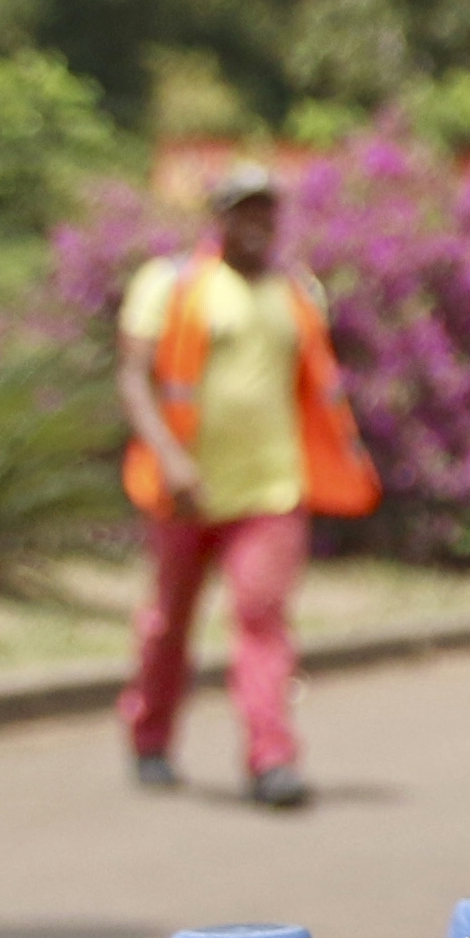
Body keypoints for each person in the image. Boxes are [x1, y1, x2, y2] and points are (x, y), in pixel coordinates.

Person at [110, 163, 377, 809]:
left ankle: (271, 758)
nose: (256, 225)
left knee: (262, 621)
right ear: (218, 218)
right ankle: (150, 736)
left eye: (266, 212)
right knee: (168, 621)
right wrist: (169, 456)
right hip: (184, 489)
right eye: (242, 211)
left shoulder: (297, 292)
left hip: (271, 488)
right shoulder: (170, 284)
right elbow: (133, 377)